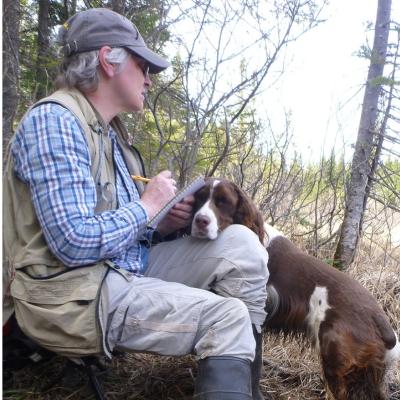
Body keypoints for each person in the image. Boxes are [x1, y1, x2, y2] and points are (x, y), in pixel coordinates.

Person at [3, 8, 269, 400]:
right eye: (143, 66)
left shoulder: (106, 132)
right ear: (109, 60)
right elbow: (72, 242)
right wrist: (146, 206)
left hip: (120, 269)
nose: (149, 79)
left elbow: (112, 227)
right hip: (71, 295)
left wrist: (159, 226)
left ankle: (244, 384)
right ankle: (229, 359)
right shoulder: (55, 122)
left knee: (243, 245)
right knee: (227, 316)